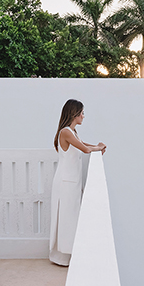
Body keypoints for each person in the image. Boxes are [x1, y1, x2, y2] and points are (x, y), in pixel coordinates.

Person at [50, 99, 106, 266]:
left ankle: (68, 254)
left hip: (71, 182)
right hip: (65, 182)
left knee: (71, 216)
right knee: (66, 217)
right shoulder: (65, 132)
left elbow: (84, 144)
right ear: (74, 114)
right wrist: (98, 147)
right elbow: (86, 149)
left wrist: (97, 146)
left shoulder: (72, 132)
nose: (83, 116)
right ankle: (62, 256)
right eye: (82, 113)